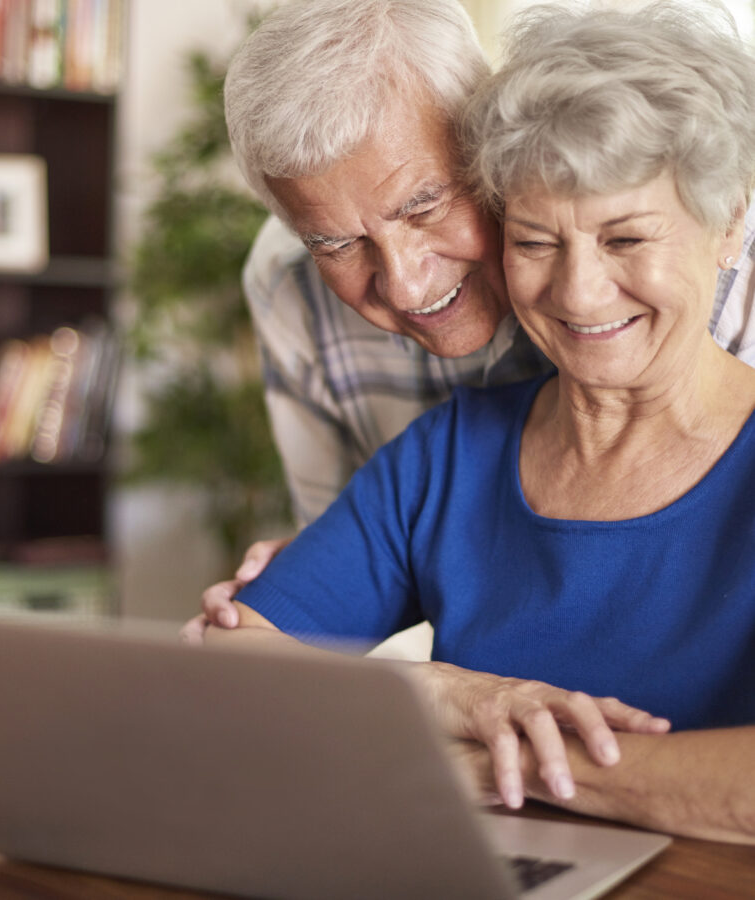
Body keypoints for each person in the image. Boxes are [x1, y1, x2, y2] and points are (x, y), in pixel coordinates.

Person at [204, 0, 755, 843]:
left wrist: (516, 767)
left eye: (624, 238)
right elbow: (239, 660)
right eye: (535, 242)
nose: (578, 292)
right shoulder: (444, 453)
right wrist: (447, 696)